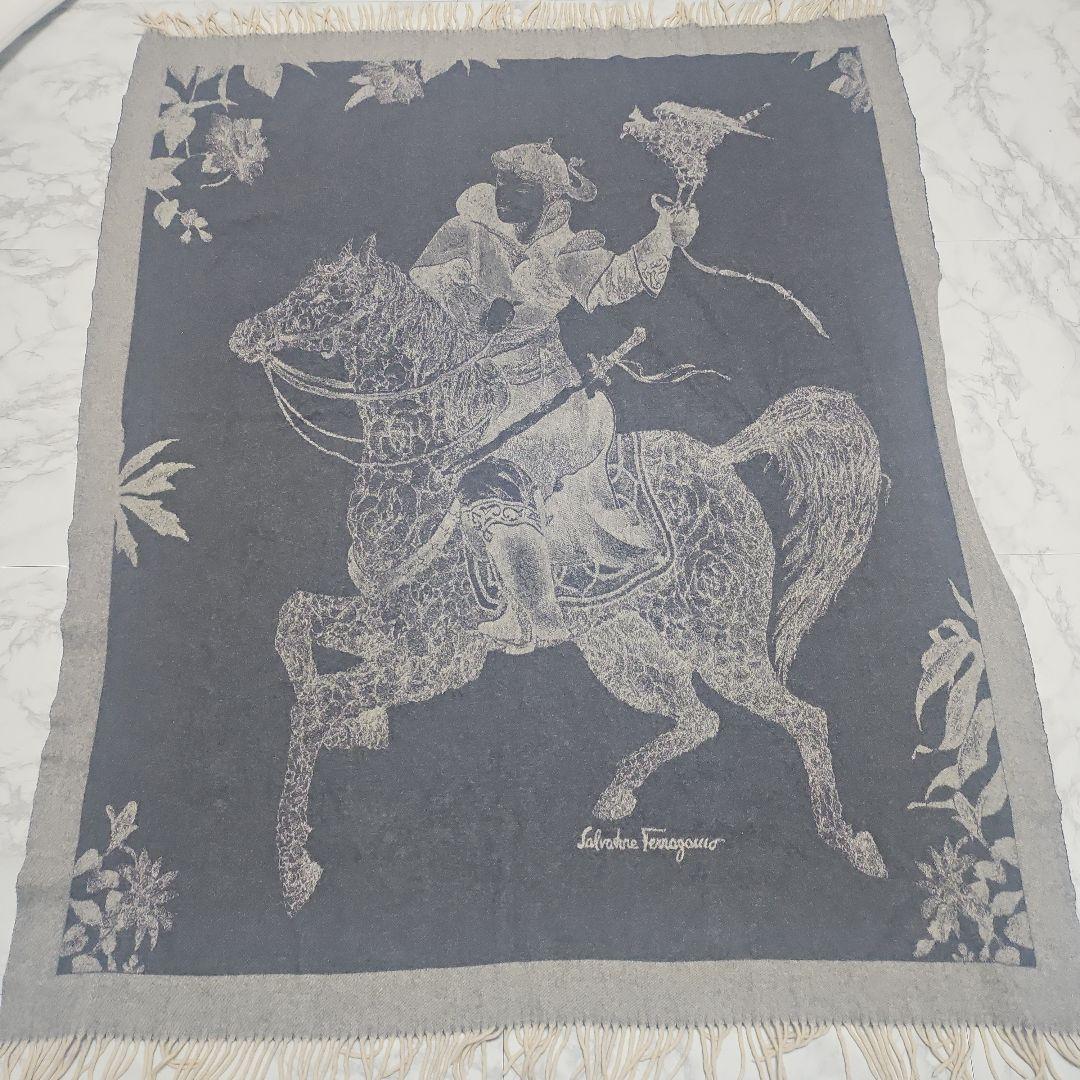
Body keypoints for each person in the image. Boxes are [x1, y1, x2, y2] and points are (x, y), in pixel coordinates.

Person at [409, 139, 698, 650]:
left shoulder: (566, 250)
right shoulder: (465, 230)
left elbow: (615, 281)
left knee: (489, 479)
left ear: (549, 198)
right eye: (502, 182)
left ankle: (536, 614)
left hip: (541, 393)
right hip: (464, 387)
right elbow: (421, 292)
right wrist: (472, 307)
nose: (504, 195)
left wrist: (665, 234)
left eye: (520, 188)